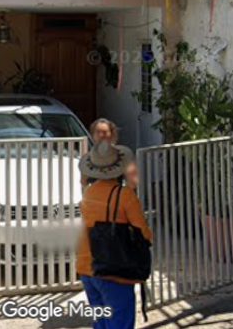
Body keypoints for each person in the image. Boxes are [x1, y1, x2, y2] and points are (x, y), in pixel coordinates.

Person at [77, 140, 152, 329]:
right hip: (114, 270)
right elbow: (143, 233)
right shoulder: (125, 195)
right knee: (120, 322)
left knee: (100, 321)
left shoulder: (88, 193)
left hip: (86, 268)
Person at [83, 118, 120, 186]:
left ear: (112, 134)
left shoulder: (122, 156)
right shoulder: (87, 160)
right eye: (98, 132)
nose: (101, 135)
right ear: (93, 135)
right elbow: (83, 182)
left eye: (104, 132)